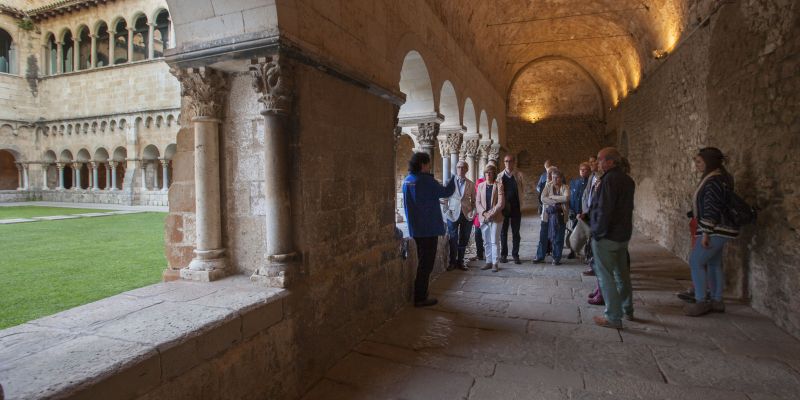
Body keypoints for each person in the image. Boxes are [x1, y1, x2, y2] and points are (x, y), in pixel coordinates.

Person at [683, 147, 738, 316]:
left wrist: (705, 233)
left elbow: (711, 208)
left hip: (715, 229)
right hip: (720, 228)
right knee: (714, 264)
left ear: (709, 162)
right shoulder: (720, 178)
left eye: (700, 161)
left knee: (696, 261)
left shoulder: (713, 181)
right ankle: (717, 300)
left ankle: (701, 301)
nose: (697, 164)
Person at [589, 147, 636, 328]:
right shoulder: (628, 180)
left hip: (607, 236)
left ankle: (613, 317)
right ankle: (627, 309)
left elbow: (604, 209)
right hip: (622, 234)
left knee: (605, 276)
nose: (598, 162)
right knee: (622, 274)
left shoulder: (609, 180)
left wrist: (597, 232)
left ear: (610, 162)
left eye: (600, 159)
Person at [402, 152, 456, 307]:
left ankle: (421, 293)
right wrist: (453, 179)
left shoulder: (407, 180)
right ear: (422, 164)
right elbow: (446, 192)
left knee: (422, 261)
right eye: (428, 164)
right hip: (429, 229)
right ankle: (420, 297)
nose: (429, 166)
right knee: (426, 264)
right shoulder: (426, 181)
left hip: (416, 229)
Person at [444, 160, 476, 271]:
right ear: (456, 168)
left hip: (467, 215)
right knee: (453, 238)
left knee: (464, 238)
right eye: (458, 167)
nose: (460, 169)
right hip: (452, 214)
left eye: (463, 167)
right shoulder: (449, 182)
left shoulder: (471, 184)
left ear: (467, 169)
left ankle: (460, 261)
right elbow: (444, 199)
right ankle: (452, 262)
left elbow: (474, 201)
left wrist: (473, 213)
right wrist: (446, 211)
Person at [476, 164, 505, 272]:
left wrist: (490, 214)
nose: (488, 174)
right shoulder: (480, 186)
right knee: (486, 241)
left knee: (494, 241)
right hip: (484, 218)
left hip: (496, 217)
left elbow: (501, 203)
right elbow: (477, 202)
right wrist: (484, 213)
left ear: (494, 174)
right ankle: (488, 261)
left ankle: (495, 263)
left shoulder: (499, 185)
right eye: (486, 172)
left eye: (490, 172)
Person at [537, 169, 570, 265]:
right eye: (553, 177)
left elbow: (566, 198)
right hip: (547, 216)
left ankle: (556, 258)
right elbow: (542, 198)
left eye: (557, 177)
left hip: (560, 216)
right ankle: (540, 256)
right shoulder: (548, 186)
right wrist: (557, 202)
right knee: (543, 237)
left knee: (558, 238)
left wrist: (551, 197)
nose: (555, 179)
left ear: (561, 178)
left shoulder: (565, 187)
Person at [499, 154, 525, 264]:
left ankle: (515, 255)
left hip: (516, 207)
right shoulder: (499, 177)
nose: (508, 163)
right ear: (504, 163)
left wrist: (522, 203)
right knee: (503, 232)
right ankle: (503, 255)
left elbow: (522, 190)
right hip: (503, 208)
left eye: (510, 161)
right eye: (506, 161)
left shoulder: (519, 175)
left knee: (516, 232)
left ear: (514, 162)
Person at [566, 162, 591, 259]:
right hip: (575, 212)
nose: (583, 171)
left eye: (585, 170)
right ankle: (573, 250)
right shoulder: (574, 182)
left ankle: (588, 253)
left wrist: (585, 213)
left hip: (585, 214)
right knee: (573, 232)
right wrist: (571, 210)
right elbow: (572, 197)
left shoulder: (591, 183)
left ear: (589, 171)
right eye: (581, 170)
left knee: (587, 234)